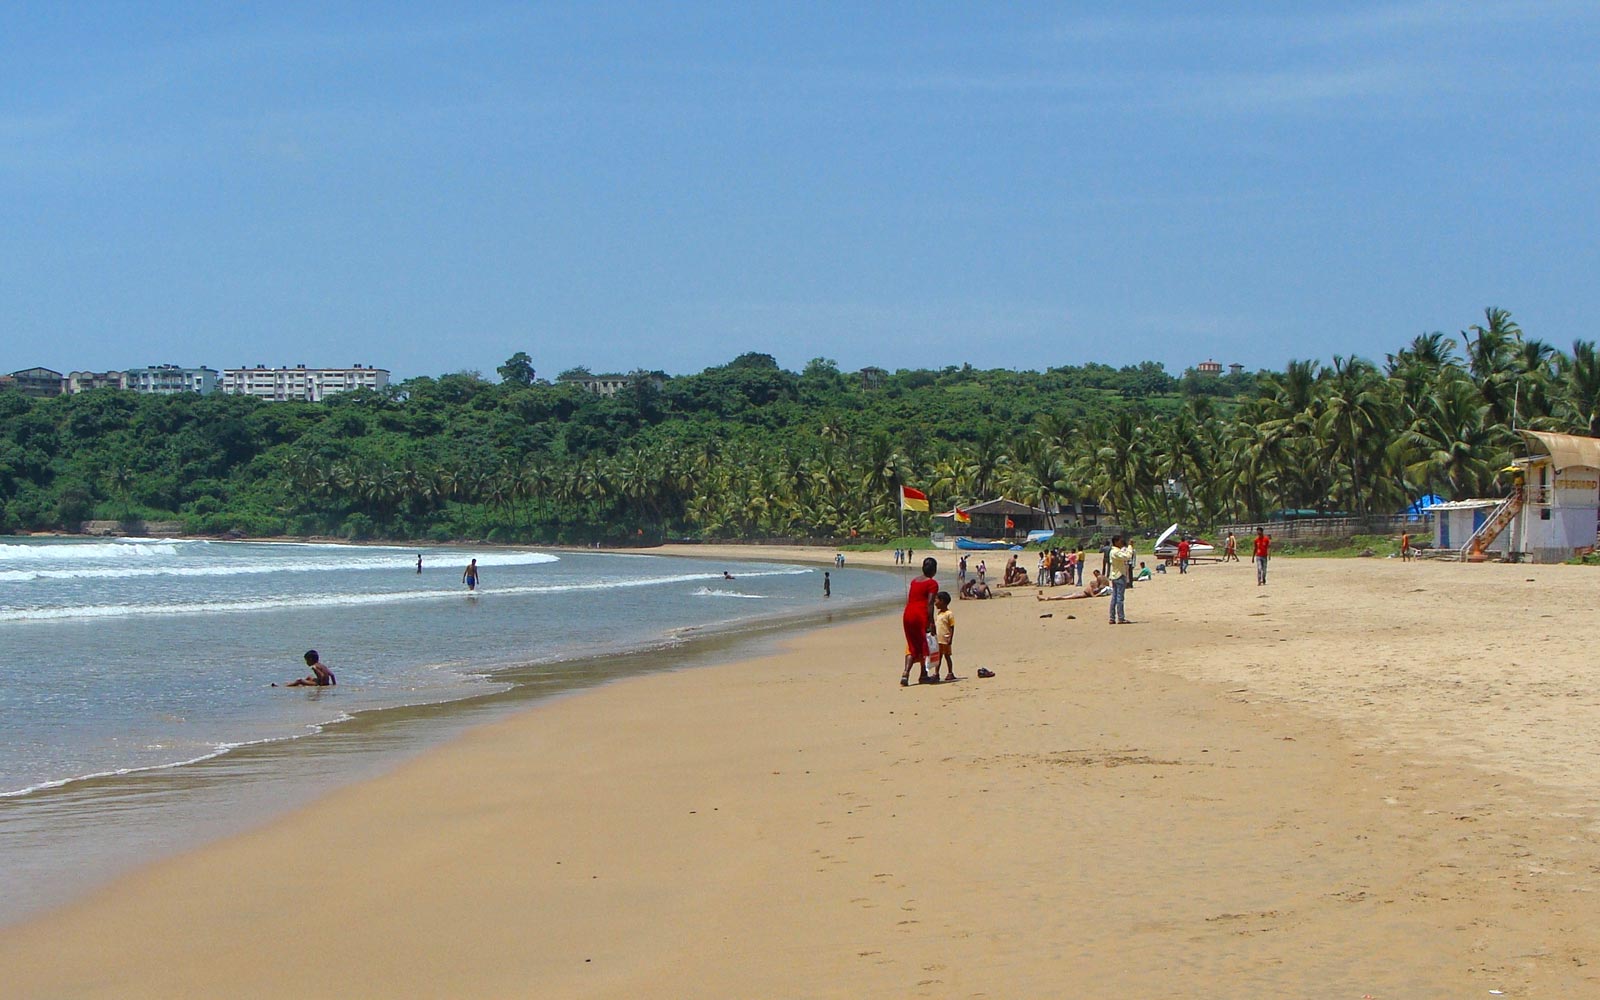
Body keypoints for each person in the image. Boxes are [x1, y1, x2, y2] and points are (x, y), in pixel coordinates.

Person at [901, 556, 940, 686]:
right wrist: (931, 622)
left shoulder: (914, 581)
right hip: (920, 615)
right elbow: (930, 604)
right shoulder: (932, 583)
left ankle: (905, 674)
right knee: (925, 644)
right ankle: (923, 674)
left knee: (912, 645)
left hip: (908, 614)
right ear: (934, 570)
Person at [1108, 534, 1133, 624]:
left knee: (1114, 598)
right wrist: (1130, 547)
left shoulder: (1114, 551)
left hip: (1115, 575)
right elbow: (1127, 557)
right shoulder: (1115, 552)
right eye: (1120, 541)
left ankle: (1112, 617)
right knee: (1119, 598)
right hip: (1119, 576)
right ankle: (1120, 618)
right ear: (1116, 542)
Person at [1036, 570, 1109, 600]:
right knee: (1065, 596)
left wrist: (1098, 593)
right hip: (1082, 593)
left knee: (1065, 597)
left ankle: (1047, 598)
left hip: (1082, 594)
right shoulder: (1092, 586)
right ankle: (1047, 598)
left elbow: (1094, 595)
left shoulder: (1091, 587)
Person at [933, 591, 957, 682]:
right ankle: (936, 673)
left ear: (942, 601)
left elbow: (952, 626)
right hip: (938, 639)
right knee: (938, 657)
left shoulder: (949, 614)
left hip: (945, 638)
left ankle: (950, 672)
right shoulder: (939, 613)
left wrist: (951, 637)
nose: (935, 603)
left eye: (936, 600)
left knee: (947, 656)